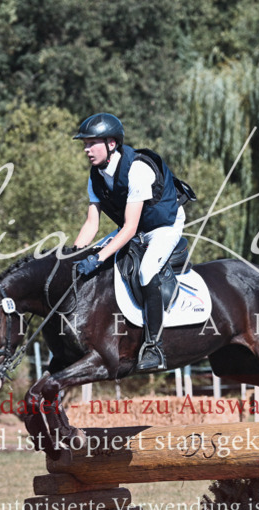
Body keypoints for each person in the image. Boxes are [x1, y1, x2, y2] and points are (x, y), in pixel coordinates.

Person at [71, 113, 190, 372]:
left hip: (164, 225)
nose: (86, 149)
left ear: (111, 144)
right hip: (134, 228)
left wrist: (98, 257)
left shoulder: (137, 169)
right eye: (85, 144)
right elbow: (91, 224)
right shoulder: (95, 176)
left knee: (146, 271)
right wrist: (74, 256)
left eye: (92, 143)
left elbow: (130, 228)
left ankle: (154, 346)